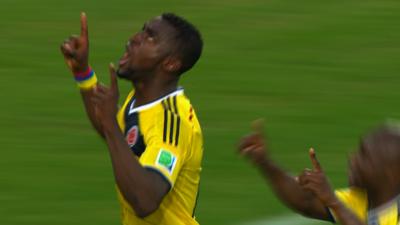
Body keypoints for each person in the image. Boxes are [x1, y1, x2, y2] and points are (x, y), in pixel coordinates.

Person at [60, 12, 204, 225]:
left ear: (171, 63)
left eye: (151, 37)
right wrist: (83, 74)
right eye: (142, 30)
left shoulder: (172, 123)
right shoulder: (141, 102)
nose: (135, 38)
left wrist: (110, 123)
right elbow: (121, 138)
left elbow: (145, 201)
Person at [238, 120, 400, 225]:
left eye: (364, 155)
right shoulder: (366, 199)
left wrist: (333, 202)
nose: (352, 158)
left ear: (392, 175)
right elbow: (306, 202)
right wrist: (265, 162)